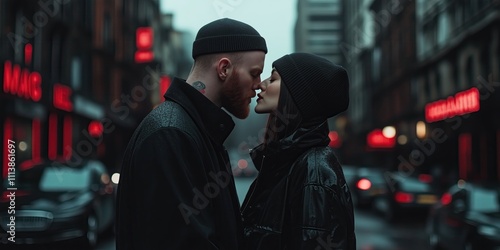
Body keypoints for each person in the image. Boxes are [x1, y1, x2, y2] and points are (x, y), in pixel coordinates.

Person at [115, 18, 267, 250]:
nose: (258, 85)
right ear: (224, 68)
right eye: (254, 73)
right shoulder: (171, 135)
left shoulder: (197, 130)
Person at [241, 53, 356, 249]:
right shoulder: (287, 160)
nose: (261, 85)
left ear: (297, 95)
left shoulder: (315, 169)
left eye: (274, 78)